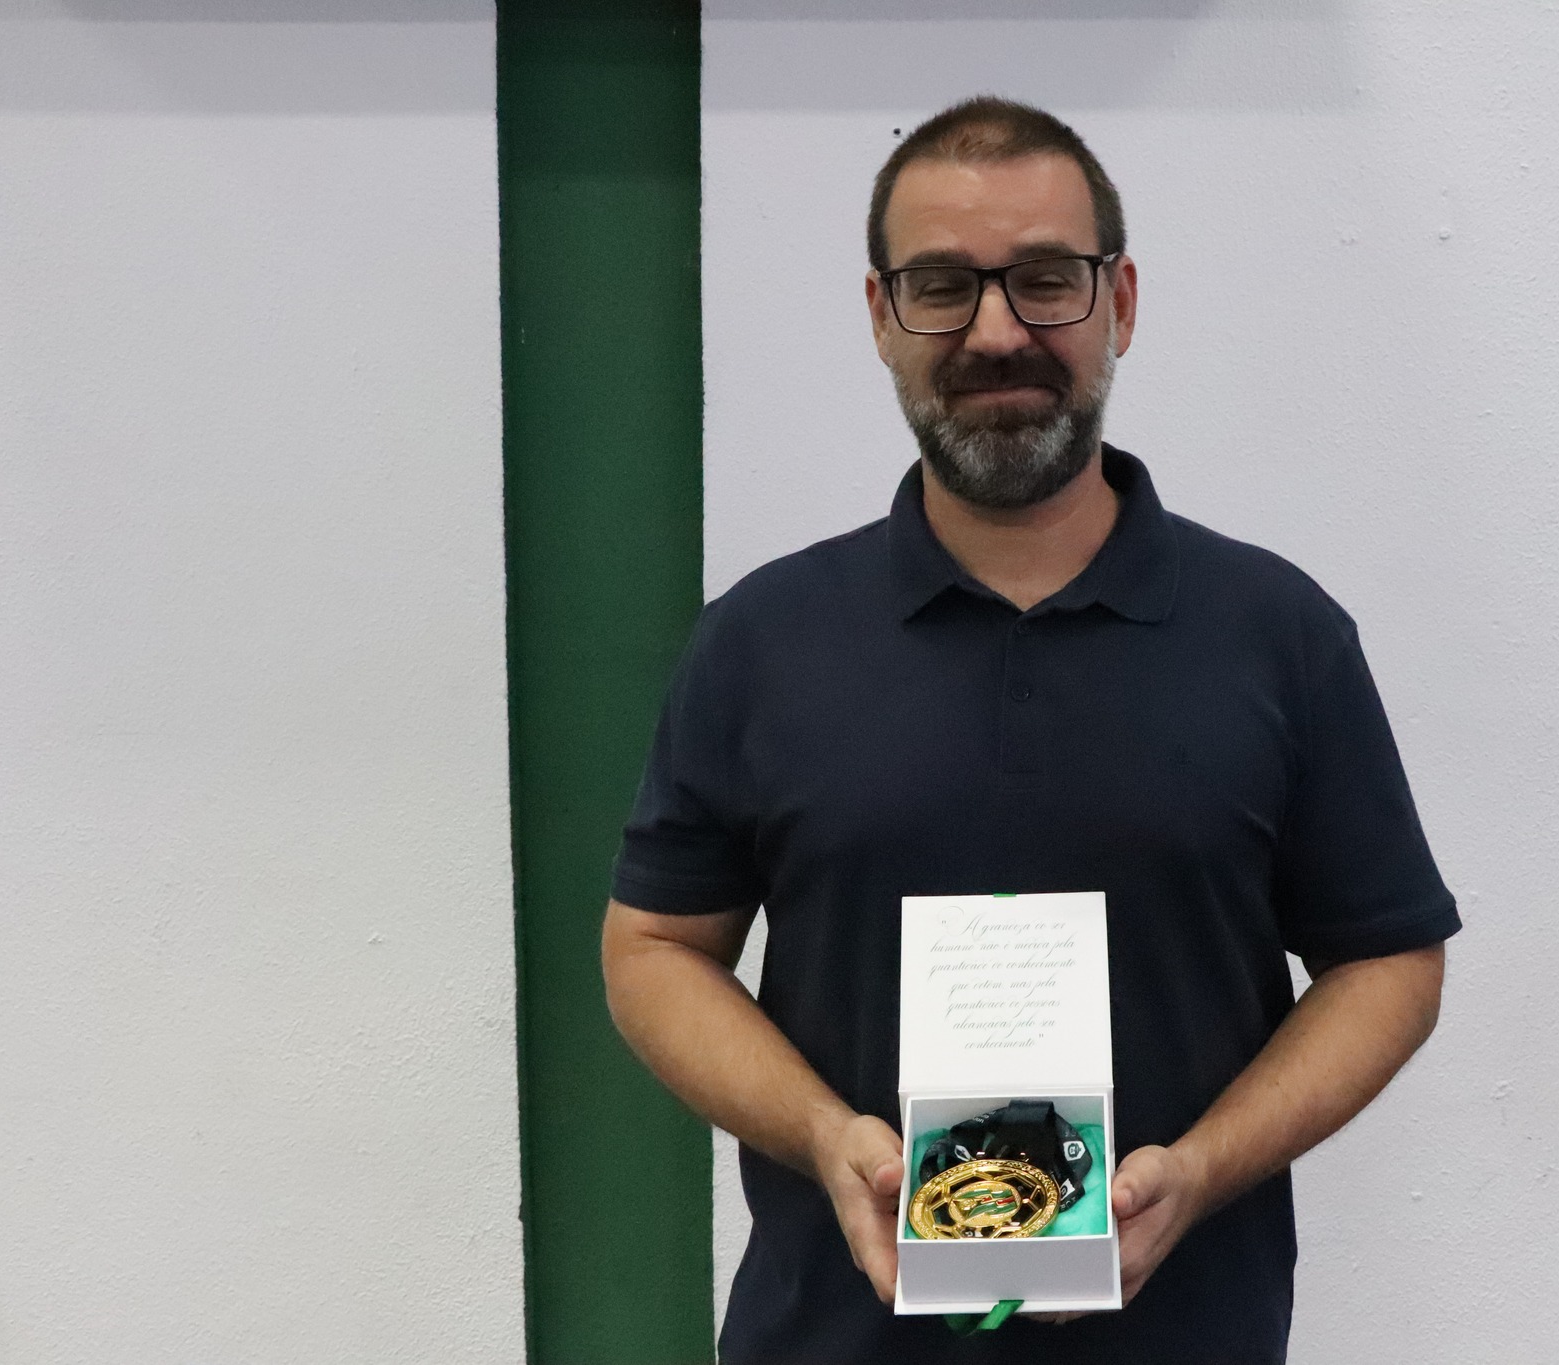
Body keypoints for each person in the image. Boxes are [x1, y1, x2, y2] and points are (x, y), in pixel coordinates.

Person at [602, 96, 1459, 1364]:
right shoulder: (759, 640)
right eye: (941, 286)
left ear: (1119, 302)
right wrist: (824, 1138)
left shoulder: (1278, 634)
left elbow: (1387, 961)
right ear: (881, 316)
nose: (996, 332)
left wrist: (1202, 1168)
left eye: (1045, 280)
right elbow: (653, 949)